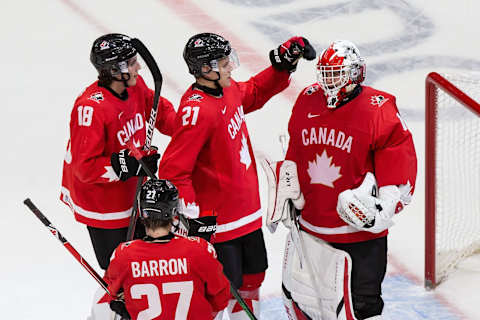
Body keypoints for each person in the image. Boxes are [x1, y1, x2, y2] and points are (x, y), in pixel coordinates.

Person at [157, 32, 316, 318]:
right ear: (206, 69)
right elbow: (172, 169)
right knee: (222, 293)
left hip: (247, 214)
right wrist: (192, 215)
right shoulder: (197, 112)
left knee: (254, 277)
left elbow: (254, 92)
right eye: (224, 61)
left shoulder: (227, 89)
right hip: (220, 225)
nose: (231, 65)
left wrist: (281, 67)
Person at [264, 40, 417, 320]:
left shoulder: (378, 108)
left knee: (363, 309)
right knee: (309, 302)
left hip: (359, 235)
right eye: (325, 73)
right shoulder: (308, 98)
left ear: (355, 73)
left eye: (336, 74)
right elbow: (296, 149)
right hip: (311, 228)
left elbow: (398, 160)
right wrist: (288, 190)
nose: (328, 81)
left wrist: (386, 205)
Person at [60, 33, 177, 272]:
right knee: (121, 270)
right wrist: (124, 164)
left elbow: (161, 112)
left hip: (131, 190)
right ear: (115, 70)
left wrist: (190, 129)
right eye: (132, 63)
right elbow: (84, 168)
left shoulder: (136, 85)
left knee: (147, 262)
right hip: (101, 203)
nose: (139, 67)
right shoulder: (91, 109)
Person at [103, 179, 231, 320]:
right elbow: (221, 297)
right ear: (174, 210)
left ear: (141, 210)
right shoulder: (199, 249)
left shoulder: (123, 255)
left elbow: (112, 293)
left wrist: (125, 307)